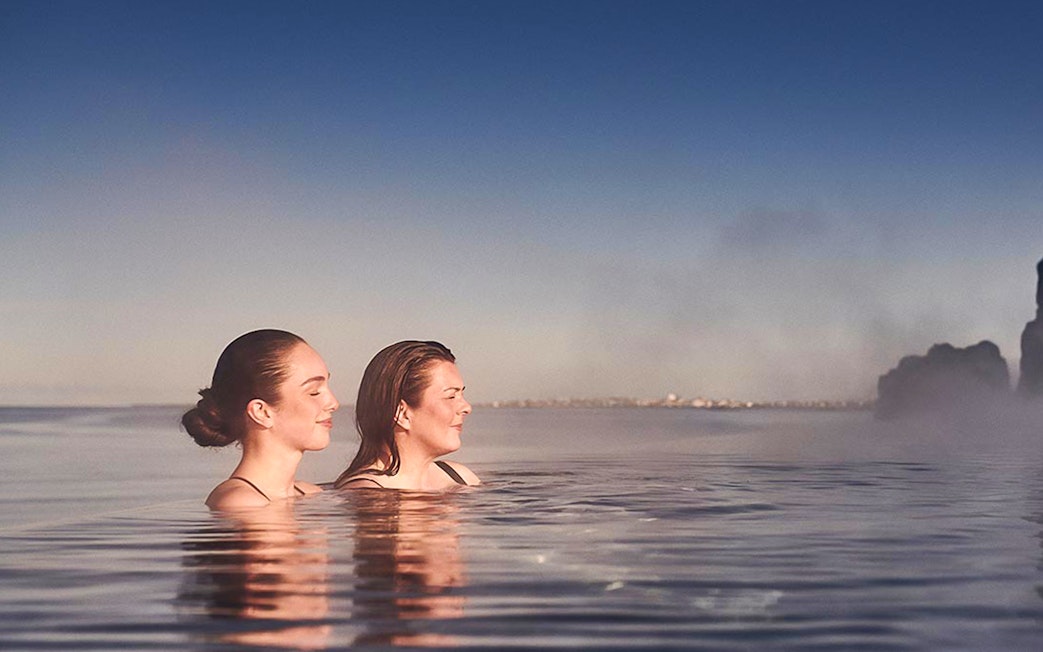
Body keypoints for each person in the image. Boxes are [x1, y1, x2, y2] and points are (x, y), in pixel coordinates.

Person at [181, 329, 339, 509]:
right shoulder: (240, 502)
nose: (333, 403)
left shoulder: (311, 494)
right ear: (261, 412)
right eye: (314, 392)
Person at [334, 340, 479, 490]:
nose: (467, 407)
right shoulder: (367, 493)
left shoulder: (460, 477)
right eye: (451, 396)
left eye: (461, 394)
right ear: (402, 414)